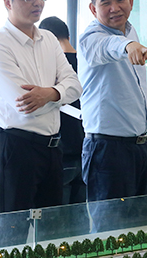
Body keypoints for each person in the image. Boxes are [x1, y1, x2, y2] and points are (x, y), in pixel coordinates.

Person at [0, 0, 82, 247]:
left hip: (52, 149)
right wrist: (58, 94)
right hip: (16, 148)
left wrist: (49, 93)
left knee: (52, 234)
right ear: (8, 2)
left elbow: (75, 86)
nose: (37, 2)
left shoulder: (49, 39)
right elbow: (25, 105)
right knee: (13, 235)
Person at [79, 0, 147, 232]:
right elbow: (108, 46)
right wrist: (128, 45)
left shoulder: (130, 29)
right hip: (107, 150)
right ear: (93, 8)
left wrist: (129, 41)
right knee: (110, 231)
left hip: (139, 147)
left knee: (143, 229)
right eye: (105, 3)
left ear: (130, 1)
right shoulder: (91, 37)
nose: (115, 8)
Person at [38, 16, 86, 205]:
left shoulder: (53, 66)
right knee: (81, 216)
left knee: (55, 217)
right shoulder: (86, 62)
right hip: (87, 149)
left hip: (60, 151)